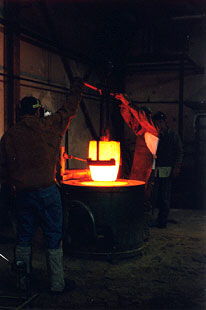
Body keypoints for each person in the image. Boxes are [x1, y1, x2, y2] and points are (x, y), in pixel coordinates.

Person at [0, 77, 84, 294]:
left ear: (21, 113)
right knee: (53, 237)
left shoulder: (9, 136)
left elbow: (2, 170)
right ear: (38, 111)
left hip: (23, 195)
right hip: (48, 193)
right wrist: (77, 87)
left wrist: (11, 185)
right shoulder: (49, 126)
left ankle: (22, 283)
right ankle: (57, 284)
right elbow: (69, 109)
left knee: (24, 238)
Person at [115, 93, 159, 240]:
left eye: (143, 117)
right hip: (137, 176)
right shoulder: (142, 132)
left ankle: (143, 232)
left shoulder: (153, 130)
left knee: (144, 203)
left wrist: (128, 103)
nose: (137, 122)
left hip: (147, 175)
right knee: (135, 203)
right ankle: (135, 230)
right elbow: (131, 120)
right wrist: (123, 107)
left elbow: (140, 117)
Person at [151, 111, 183, 228]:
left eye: (160, 122)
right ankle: (149, 220)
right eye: (156, 123)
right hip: (155, 170)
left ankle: (162, 221)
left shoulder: (172, 136)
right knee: (152, 196)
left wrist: (177, 167)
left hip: (167, 170)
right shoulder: (154, 136)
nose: (158, 125)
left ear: (164, 122)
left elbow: (179, 152)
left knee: (164, 197)